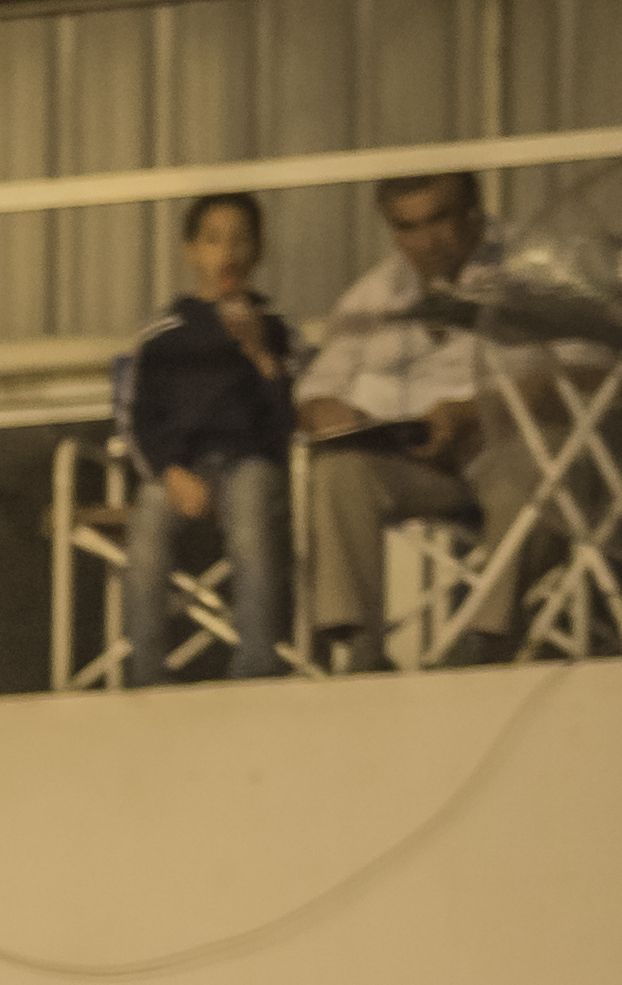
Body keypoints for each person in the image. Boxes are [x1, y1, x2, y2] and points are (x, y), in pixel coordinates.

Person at [295, 172, 564, 670]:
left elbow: (590, 372)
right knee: (339, 467)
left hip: (510, 445)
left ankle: (488, 641)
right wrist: (330, 410)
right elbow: (313, 393)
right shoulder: (373, 295)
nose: (425, 241)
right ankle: (358, 647)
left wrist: (472, 413)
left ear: (473, 211)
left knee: (539, 461)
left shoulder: (535, 269)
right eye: (407, 227)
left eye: (438, 220)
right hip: (418, 452)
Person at [120, 192, 301, 683]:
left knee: (250, 522)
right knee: (147, 532)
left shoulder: (278, 330)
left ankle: (257, 664)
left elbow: (290, 419)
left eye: (241, 240)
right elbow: (135, 418)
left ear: (258, 251)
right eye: (214, 240)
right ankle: (147, 670)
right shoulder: (163, 333)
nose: (228, 253)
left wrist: (260, 354)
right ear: (190, 251)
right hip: (179, 466)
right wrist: (168, 470)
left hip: (252, 462)